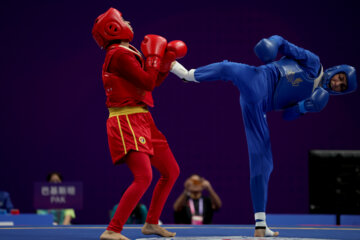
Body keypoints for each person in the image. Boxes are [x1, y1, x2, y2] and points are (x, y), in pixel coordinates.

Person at [170, 35, 357, 237]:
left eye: (342, 87)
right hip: (259, 79)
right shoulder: (313, 62)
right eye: (340, 78)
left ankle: (260, 225)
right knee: (228, 68)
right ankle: (187, 74)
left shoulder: (317, 98)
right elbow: (283, 43)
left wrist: (306, 106)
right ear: (336, 70)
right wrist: (272, 44)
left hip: (258, 108)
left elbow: (287, 115)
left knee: (263, 162)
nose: (337, 83)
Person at [92, 8, 187, 240]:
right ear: (113, 28)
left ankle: (151, 223)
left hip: (142, 118)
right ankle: (112, 230)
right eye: (122, 20)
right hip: (127, 119)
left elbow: (149, 84)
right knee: (143, 177)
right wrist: (155, 59)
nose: (128, 22)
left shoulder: (127, 51)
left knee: (171, 171)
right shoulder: (118, 54)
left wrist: (163, 64)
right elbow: (147, 81)